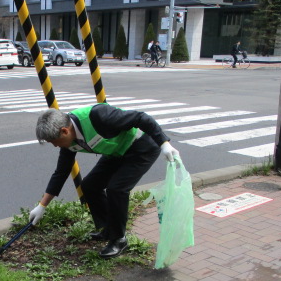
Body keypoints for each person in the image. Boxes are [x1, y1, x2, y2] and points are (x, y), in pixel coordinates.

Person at [29, 104, 179, 259]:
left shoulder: (98, 116)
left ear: (64, 131)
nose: (55, 145)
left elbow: (141, 118)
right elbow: (61, 172)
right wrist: (42, 206)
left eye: (54, 141)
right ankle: (108, 230)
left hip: (141, 147)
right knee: (89, 186)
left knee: (117, 189)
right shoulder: (68, 141)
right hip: (115, 152)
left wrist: (164, 143)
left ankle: (119, 239)